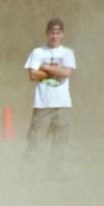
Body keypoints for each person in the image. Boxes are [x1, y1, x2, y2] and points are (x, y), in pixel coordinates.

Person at [24, 18, 76, 174]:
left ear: (62, 34)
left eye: (58, 33)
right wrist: (55, 70)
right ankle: (29, 173)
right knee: (35, 141)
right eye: (52, 33)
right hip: (42, 104)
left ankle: (57, 174)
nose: (54, 36)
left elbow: (67, 72)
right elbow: (32, 75)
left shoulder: (67, 53)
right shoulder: (38, 52)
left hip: (62, 105)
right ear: (47, 34)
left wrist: (45, 67)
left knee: (61, 142)